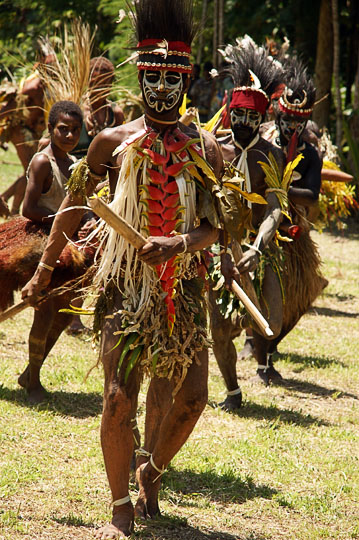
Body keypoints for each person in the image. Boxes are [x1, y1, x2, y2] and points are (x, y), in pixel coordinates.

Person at [22, 0, 223, 537]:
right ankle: (118, 504)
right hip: (124, 285)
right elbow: (74, 206)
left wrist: (179, 241)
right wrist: (44, 268)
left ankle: (150, 468)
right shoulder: (112, 143)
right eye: (151, 75)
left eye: (172, 76)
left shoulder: (204, 149)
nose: (161, 87)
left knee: (193, 396)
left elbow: (215, 226)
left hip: (182, 284)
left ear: (187, 79)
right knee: (117, 396)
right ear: (140, 75)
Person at [237, 54, 327, 391]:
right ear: (278, 113)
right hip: (257, 224)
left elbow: (313, 196)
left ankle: (268, 346)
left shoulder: (310, 154)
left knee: (301, 293)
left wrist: (282, 186)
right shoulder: (261, 141)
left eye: (298, 122)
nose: (292, 127)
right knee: (253, 286)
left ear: (305, 123)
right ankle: (254, 343)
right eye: (287, 119)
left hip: (293, 231)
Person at [208, 37, 287, 410]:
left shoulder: (270, 155)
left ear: (261, 118)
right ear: (229, 113)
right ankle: (232, 391)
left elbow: (274, 207)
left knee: (267, 320)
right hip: (215, 248)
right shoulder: (212, 148)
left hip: (258, 248)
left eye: (251, 117)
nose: (242, 122)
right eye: (237, 115)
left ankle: (263, 360)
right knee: (218, 329)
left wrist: (258, 246)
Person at [0, 100, 93, 403]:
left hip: (65, 239)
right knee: (46, 310)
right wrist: (60, 222)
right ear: (51, 129)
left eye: (74, 131)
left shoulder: (74, 165)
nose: (68, 135)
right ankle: (34, 382)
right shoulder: (43, 162)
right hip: (38, 239)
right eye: (63, 129)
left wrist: (87, 221)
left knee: (65, 314)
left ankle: (30, 371)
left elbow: (82, 205)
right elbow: (28, 207)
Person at [0, 51, 54, 215]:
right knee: (31, 171)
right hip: (20, 130)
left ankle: (6, 199)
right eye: (51, 68)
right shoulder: (32, 87)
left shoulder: (48, 87)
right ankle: (14, 211)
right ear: (44, 68)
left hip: (32, 132)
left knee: (30, 172)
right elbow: (13, 106)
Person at [72, 56, 124, 159]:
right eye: (95, 83)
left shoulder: (115, 113)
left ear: (111, 85)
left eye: (104, 84)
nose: (99, 88)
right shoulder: (74, 110)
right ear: (87, 81)